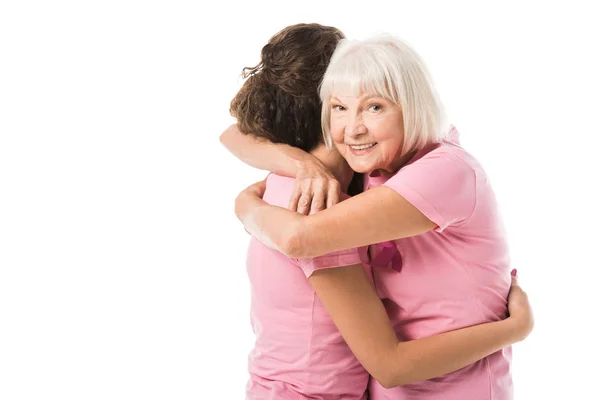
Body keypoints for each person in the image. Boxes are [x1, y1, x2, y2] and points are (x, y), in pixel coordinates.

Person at [227, 26, 533, 400]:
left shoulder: (440, 170)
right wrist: (292, 169)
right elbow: (233, 135)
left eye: (374, 106)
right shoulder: (353, 177)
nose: (354, 129)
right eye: (340, 107)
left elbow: (298, 237)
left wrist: (248, 205)